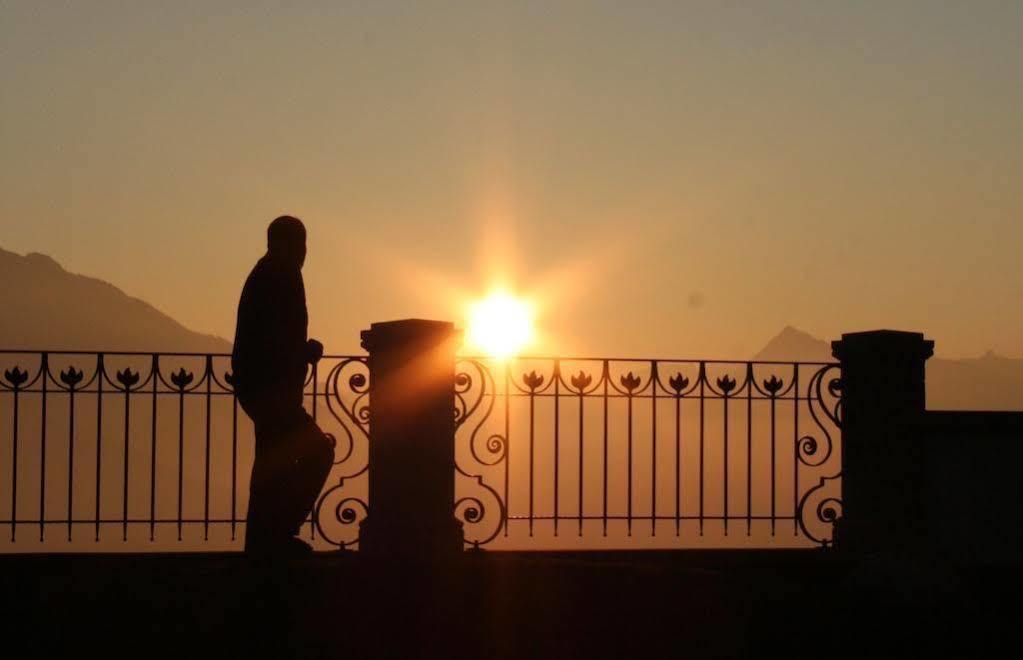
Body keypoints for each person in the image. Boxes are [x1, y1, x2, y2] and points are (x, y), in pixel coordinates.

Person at [232, 215, 334, 555]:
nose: (304, 252)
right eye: (301, 244)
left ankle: (262, 543)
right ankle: (276, 536)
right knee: (318, 452)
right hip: (272, 392)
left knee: (270, 468)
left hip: (260, 389)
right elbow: (275, 336)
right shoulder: (282, 275)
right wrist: (305, 351)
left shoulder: (266, 273)